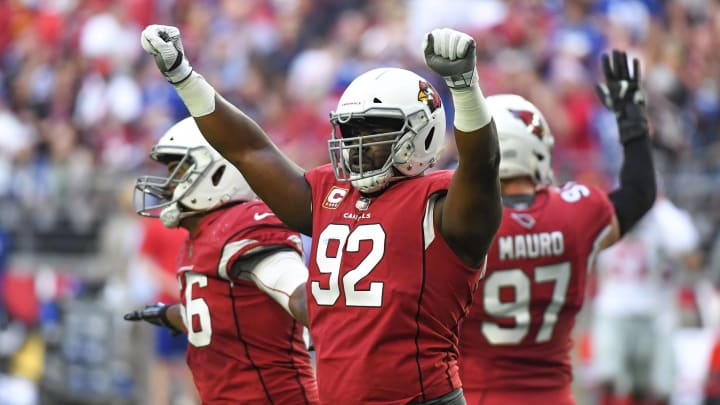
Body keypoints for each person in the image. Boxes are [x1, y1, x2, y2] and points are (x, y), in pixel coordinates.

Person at [140, 25, 502, 404]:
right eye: (349, 130)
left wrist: (464, 88)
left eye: (373, 130)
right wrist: (184, 77)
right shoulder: (330, 193)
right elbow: (249, 151)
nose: (356, 145)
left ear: (423, 133)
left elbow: (482, 164)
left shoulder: (441, 204)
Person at [458, 50, 657, 405]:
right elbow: (639, 193)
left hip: (476, 396)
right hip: (553, 395)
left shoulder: (458, 220)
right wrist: (632, 122)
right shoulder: (576, 212)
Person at [123, 117, 319, 404]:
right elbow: (225, 317)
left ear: (216, 174)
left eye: (177, 171)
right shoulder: (199, 236)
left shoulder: (242, 226)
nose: (167, 185)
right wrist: (171, 316)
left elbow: (301, 296)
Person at [591, 194, 702, 405]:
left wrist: (662, 209)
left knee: (655, 384)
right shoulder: (607, 216)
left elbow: (692, 257)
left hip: (653, 312)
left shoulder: (662, 223)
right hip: (613, 309)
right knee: (609, 377)